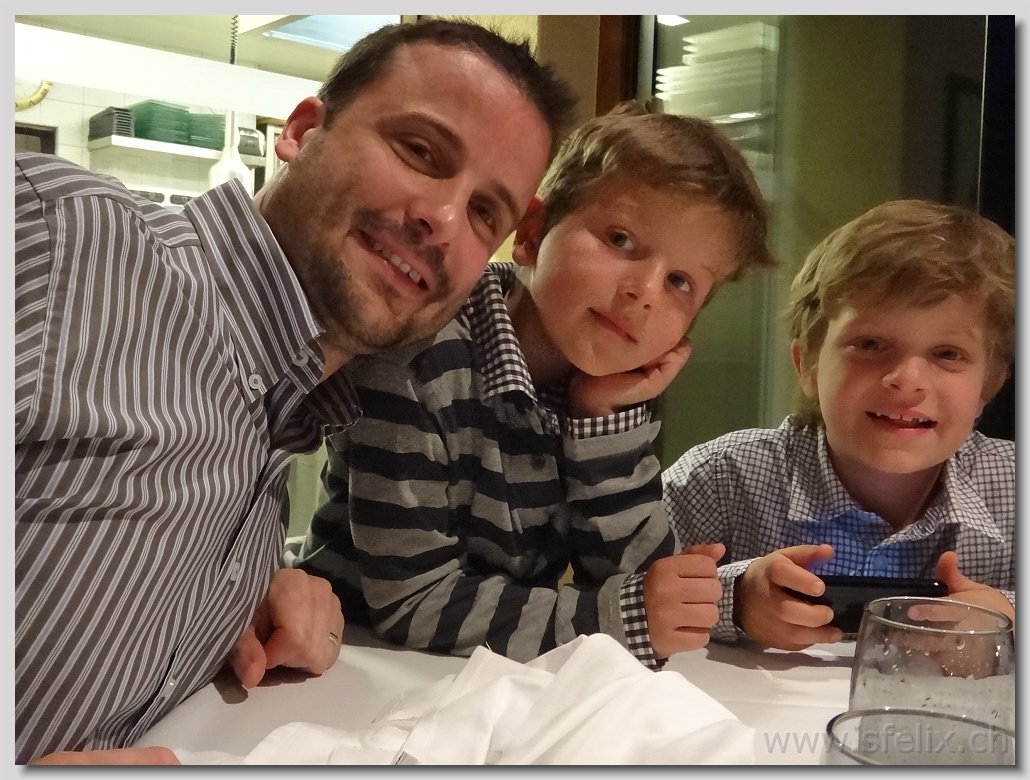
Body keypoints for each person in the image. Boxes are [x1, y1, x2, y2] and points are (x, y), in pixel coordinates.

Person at [14, 18, 576, 765]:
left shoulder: (280, 432)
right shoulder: (58, 235)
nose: (442, 221)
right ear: (303, 131)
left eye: (483, 213)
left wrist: (242, 593)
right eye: (419, 151)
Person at [291, 100, 774, 670]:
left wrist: (602, 426)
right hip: (349, 666)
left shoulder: (604, 391)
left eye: (680, 282)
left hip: (486, 678)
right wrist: (615, 618)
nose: (643, 292)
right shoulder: (420, 360)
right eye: (620, 240)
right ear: (532, 233)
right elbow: (412, 603)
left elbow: (642, 590)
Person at [663, 199, 1015, 651]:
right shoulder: (721, 479)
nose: (906, 380)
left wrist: (1009, 620)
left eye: (948, 354)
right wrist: (735, 601)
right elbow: (624, 595)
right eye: (870, 344)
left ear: (989, 384)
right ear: (807, 365)